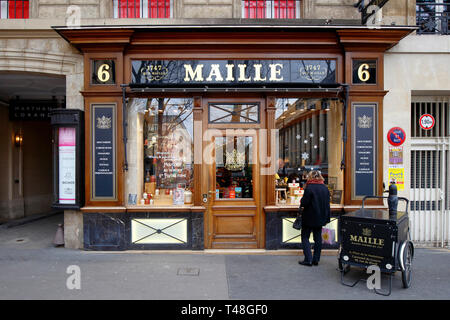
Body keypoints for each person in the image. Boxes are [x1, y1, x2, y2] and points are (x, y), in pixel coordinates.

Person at [298, 170, 330, 266]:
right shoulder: (325, 188)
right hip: (320, 217)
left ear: (310, 177)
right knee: (318, 239)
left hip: (309, 217)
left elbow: (304, 202)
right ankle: (316, 259)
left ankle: (308, 259)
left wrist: (301, 200)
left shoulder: (309, 187)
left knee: (305, 237)